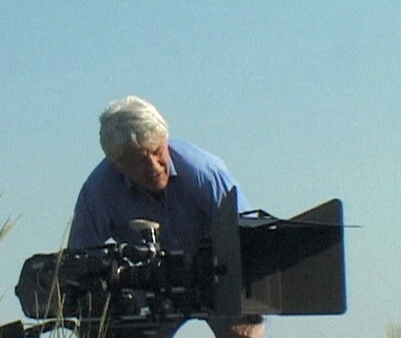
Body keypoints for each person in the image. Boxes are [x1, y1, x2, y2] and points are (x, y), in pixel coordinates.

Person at [67, 95, 265, 338]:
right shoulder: (98, 191)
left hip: (216, 277)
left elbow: (249, 239)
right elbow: (79, 261)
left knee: (243, 333)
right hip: (147, 290)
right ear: (118, 164)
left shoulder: (205, 173)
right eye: (140, 160)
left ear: (165, 140)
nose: (154, 166)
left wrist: (249, 311)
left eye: (157, 151)